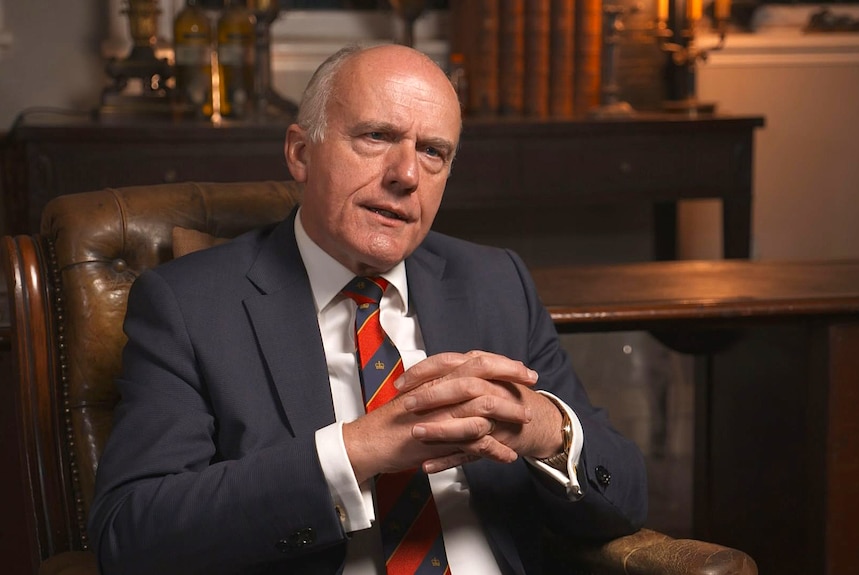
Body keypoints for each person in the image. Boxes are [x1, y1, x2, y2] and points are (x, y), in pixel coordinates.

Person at [89, 43, 647, 575]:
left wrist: (541, 426)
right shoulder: (190, 305)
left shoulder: (495, 281)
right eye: (378, 136)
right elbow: (131, 538)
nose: (407, 175)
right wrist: (354, 451)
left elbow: (626, 497)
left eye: (433, 151)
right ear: (301, 153)